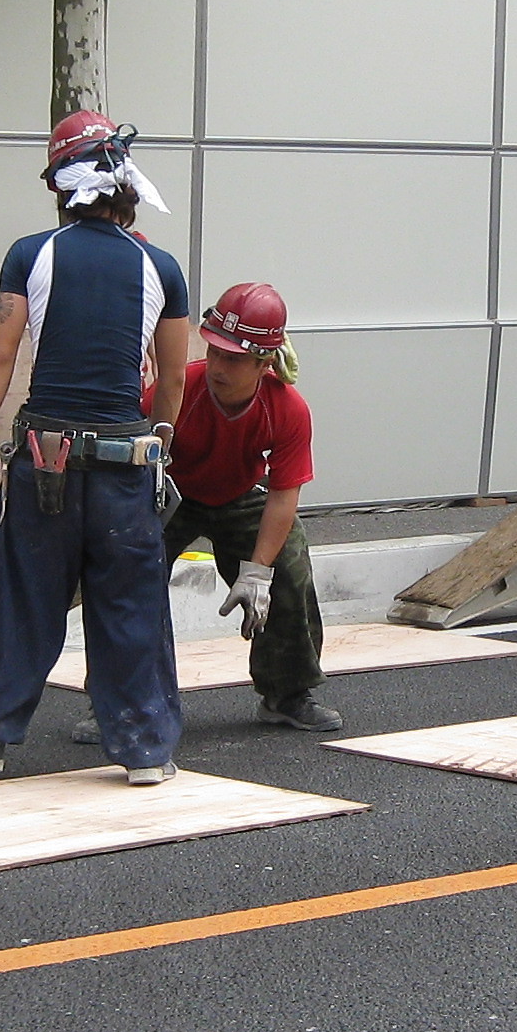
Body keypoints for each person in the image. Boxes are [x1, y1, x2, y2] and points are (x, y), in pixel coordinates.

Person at [0, 110, 192, 784]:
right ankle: (145, 751)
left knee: (19, 597)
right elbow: (170, 379)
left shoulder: (30, 254)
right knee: (130, 605)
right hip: (125, 467)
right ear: (126, 186)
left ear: (60, 187)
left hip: (44, 461)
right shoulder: (161, 267)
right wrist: (160, 446)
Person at [71, 280, 338, 742]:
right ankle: (118, 701)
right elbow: (128, 460)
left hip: (240, 494)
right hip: (168, 493)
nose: (217, 367)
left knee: (289, 571)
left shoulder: (287, 409)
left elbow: (283, 494)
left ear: (264, 363)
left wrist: (258, 573)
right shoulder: (177, 390)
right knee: (125, 580)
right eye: (214, 352)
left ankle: (286, 693)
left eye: (233, 360)